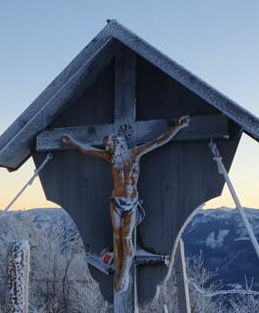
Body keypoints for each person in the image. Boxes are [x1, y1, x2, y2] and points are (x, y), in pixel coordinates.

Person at [62, 115, 191, 294]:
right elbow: (88, 150)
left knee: (125, 238)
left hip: (131, 202)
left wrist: (177, 127)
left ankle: (123, 274)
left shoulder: (135, 153)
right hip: (115, 201)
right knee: (116, 237)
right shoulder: (111, 158)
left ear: (118, 144)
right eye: (107, 148)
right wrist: (73, 142)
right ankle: (119, 273)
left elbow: (159, 141)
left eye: (110, 146)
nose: (108, 150)